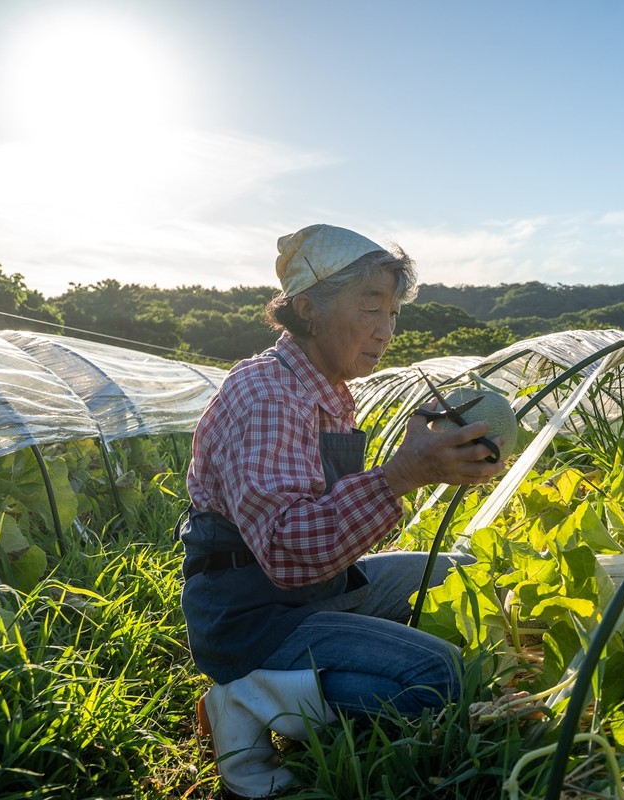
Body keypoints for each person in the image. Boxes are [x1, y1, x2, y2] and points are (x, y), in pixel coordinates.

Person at [178, 224, 504, 799]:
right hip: (254, 612)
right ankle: (246, 694)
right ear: (307, 308)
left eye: (394, 313)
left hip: (310, 590)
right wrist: (402, 475)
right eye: (370, 307)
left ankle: (301, 681)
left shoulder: (326, 387)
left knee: (459, 572)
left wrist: (428, 463)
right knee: (442, 677)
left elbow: (324, 520)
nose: (385, 330)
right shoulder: (269, 395)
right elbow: (283, 551)